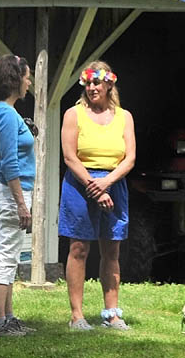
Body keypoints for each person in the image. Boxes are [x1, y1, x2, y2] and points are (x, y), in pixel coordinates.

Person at [59, 60, 136, 331]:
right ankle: (76, 315)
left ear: (109, 83)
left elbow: (130, 158)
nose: (92, 87)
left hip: (113, 183)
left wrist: (108, 183)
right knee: (79, 248)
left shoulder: (124, 116)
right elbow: (69, 156)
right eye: (88, 83)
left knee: (111, 248)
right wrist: (94, 186)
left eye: (97, 82)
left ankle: (112, 313)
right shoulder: (73, 114)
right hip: (81, 184)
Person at [0, 54, 36, 337]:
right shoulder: (4, 114)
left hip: (9, 192)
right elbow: (9, 163)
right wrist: (21, 204)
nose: (29, 82)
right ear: (16, 80)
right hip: (9, 193)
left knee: (10, 256)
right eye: (27, 77)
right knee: (5, 257)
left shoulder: (5, 112)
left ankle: (8, 318)